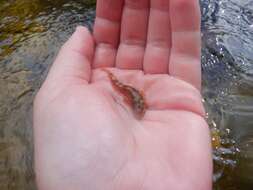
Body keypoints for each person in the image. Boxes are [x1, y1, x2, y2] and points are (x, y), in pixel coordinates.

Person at [33, 0, 213, 189]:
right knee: (121, 87)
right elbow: (135, 98)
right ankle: (108, 76)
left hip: (130, 92)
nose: (139, 110)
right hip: (128, 91)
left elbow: (137, 99)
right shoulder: (132, 98)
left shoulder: (137, 101)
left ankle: (109, 76)